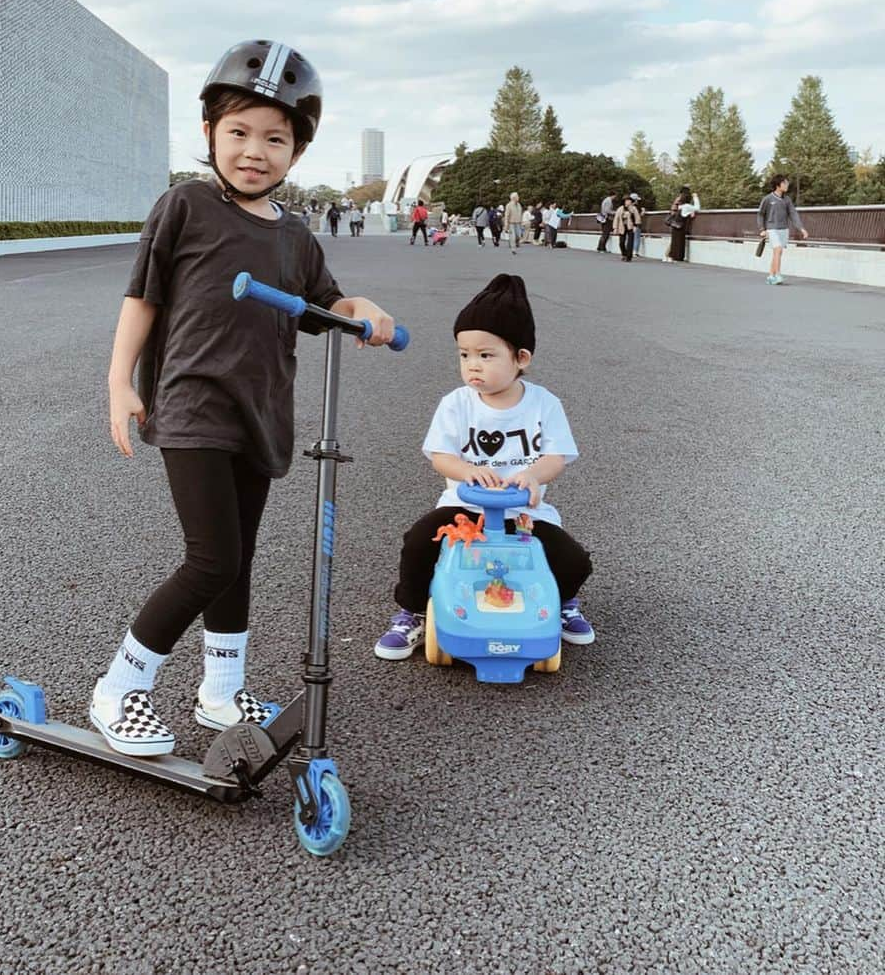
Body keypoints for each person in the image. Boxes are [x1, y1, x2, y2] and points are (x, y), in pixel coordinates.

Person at [98, 40, 396, 756]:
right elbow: (144, 298)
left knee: (240, 557)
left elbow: (330, 302)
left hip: (261, 414)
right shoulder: (185, 206)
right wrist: (118, 381)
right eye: (238, 132)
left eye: (274, 137)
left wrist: (368, 310)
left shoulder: (295, 238)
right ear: (209, 134)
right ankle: (120, 689)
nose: (254, 150)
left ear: (296, 151)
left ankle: (221, 693)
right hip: (193, 405)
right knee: (212, 558)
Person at [374, 274, 594, 662]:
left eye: (486, 355)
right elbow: (440, 455)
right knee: (418, 541)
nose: (472, 366)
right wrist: (465, 470)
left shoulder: (544, 405)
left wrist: (532, 475)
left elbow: (556, 457)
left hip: (524, 512)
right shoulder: (457, 403)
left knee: (572, 558)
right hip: (465, 510)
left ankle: (563, 602)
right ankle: (411, 611)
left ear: (521, 359)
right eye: (464, 355)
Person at [757, 174, 808, 285]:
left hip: (784, 229)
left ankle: (771, 276)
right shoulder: (768, 199)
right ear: (778, 185)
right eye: (785, 183)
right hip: (772, 229)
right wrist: (762, 229)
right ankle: (778, 275)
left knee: (777, 253)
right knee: (778, 249)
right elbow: (760, 214)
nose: (787, 185)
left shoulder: (787, 200)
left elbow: (793, 214)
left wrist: (801, 228)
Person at [663, 185, 699, 264]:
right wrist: (696, 198)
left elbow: (675, 210)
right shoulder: (685, 204)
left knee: (674, 241)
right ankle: (673, 257)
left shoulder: (679, 201)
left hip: (674, 223)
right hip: (680, 224)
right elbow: (697, 208)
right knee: (678, 241)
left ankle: (669, 256)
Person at [612, 194, 641, 263]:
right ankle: (624, 253)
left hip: (630, 226)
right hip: (622, 226)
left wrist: (636, 226)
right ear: (624, 201)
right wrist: (615, 228)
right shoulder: (620, 209)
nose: (628, 202)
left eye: (629, 200)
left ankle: (629, 257)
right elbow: (616, 218)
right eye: (626, 200)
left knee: (630, 242)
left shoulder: (633, 208)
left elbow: (637, 218)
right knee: (621, 242)